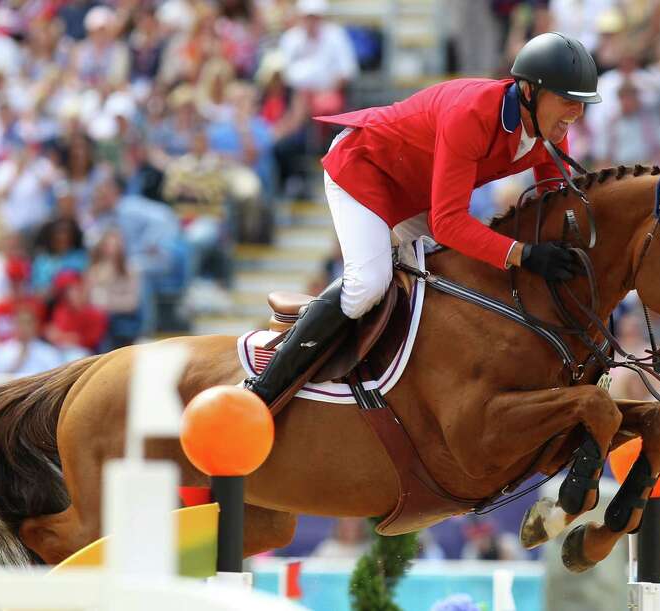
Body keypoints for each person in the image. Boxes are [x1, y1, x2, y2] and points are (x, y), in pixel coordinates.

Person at [245, 32, 599, 405]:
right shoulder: (472, 114)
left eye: (581, 104)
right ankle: (268, 385)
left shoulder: (551, 132)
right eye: (566, 101)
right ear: (528, 91)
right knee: (368, 285)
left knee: (456, 278)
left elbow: (559, 208)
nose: (575, 114)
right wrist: (522, 254)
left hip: (417, 194)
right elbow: (448, 223)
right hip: (364, 170)